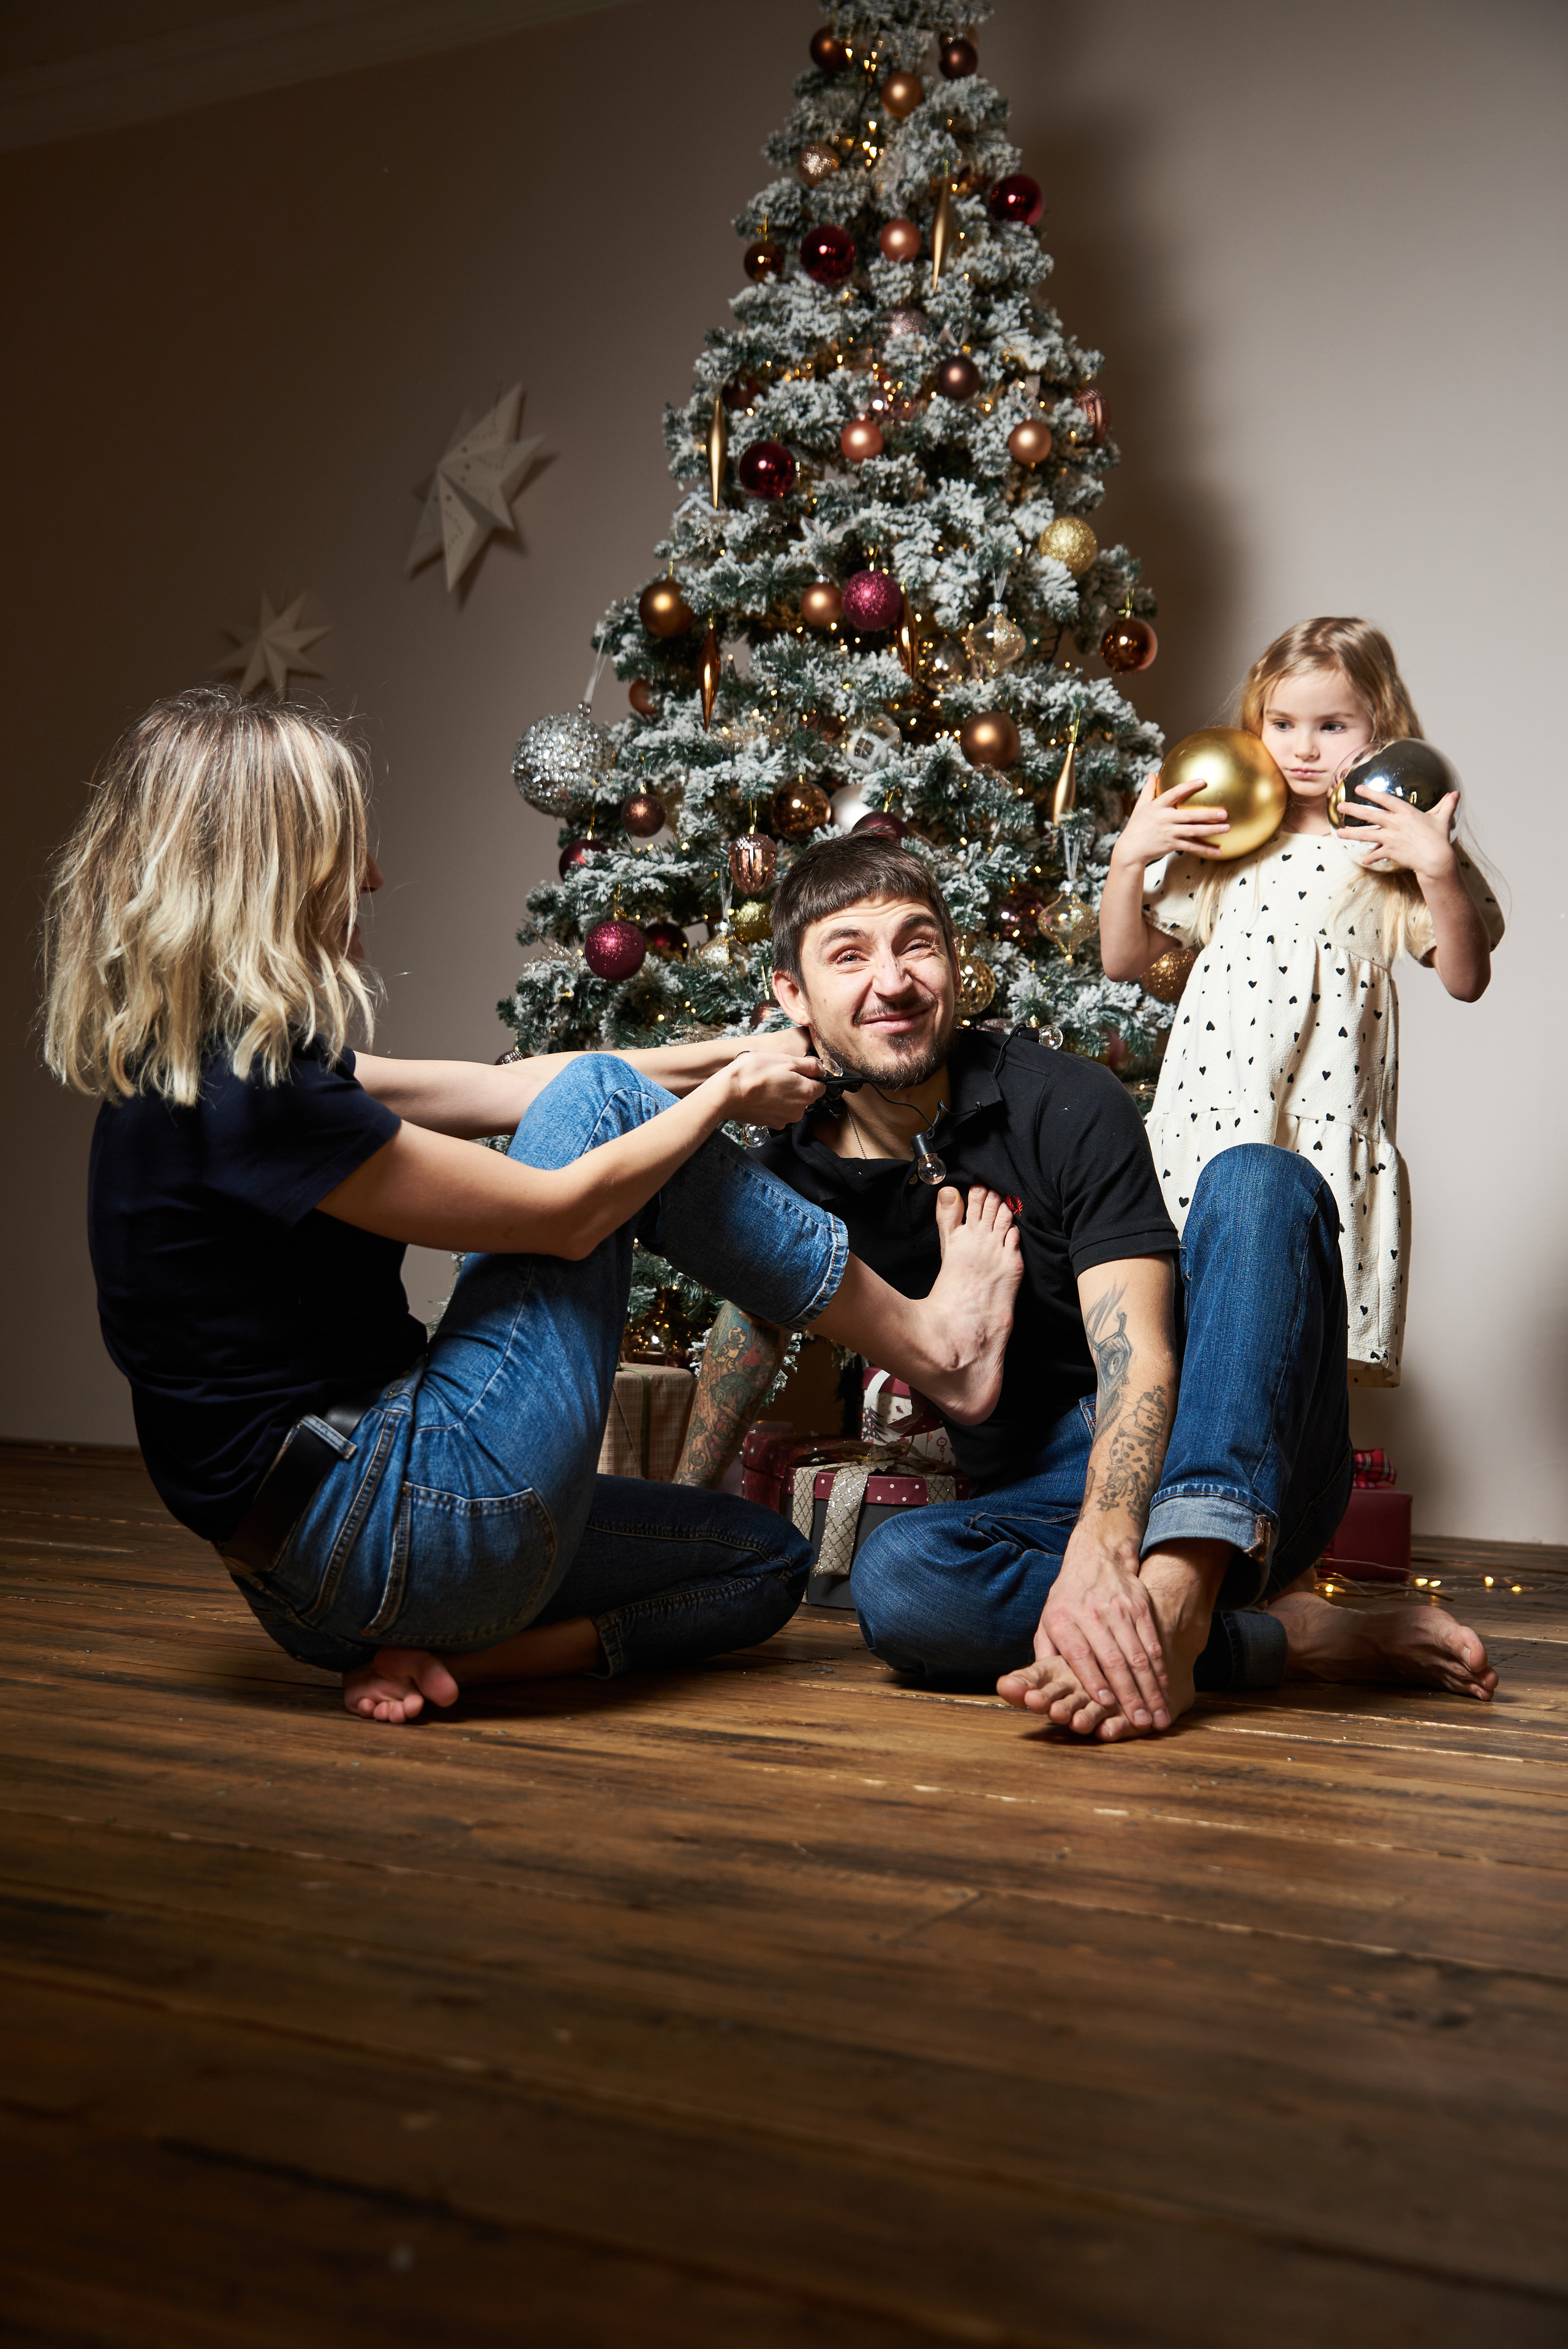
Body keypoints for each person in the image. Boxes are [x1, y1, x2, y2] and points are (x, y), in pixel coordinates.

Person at [42, 688, 1023, 1727]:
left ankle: (448, 1658)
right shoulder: (255, 1097)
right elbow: (562, 1213)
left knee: (762, 1559)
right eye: (344, 852)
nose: (369, 876)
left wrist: (719, 1054)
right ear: (269, 872)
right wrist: (730, 1099)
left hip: (314, 1589)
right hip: (400, 1521)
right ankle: (933, 1344)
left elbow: (498, 1085)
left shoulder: (206, 1068)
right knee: (598, 1110)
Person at [674, 833, 1497, 1741]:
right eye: (848, 955)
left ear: (952, 958)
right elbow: (747, 1329)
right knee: (901, 1580)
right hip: (1037, 1493)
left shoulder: (1060, 1096)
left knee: (1261, 1180)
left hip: (1219, 1440)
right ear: (792, 995)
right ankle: (1278, 1641)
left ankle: (1184, 1594)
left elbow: (1139, 1355)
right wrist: (683, 1515)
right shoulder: (790, 1164)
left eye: (917, 942)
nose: (894, 980)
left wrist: (1110, 1548)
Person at [1098, 616, 1504, 1385]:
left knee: (1284, 1340)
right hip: (1214, 1105)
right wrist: (1129, 860)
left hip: (1318, 1117)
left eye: (1332, 725)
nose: (1305, 748)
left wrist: (1438, 869)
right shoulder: (1229, 838)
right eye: (1282, 724)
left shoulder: (1393, 851)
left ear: (1378, 727)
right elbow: (1125, 959)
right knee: (1184, 1327)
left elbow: (1465, 978)